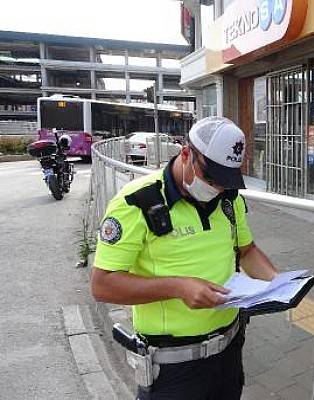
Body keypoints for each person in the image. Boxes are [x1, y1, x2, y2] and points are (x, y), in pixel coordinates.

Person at [91, 116, 278, 400]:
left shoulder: (229, 199)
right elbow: (103, 285)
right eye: (211, 178)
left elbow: (247, 250)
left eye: (225, 180)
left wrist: (278, 284)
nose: (217, 188)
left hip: (229, 351)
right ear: (187, 153)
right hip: (172, 368)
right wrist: (178, 287)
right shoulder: (137, 202)